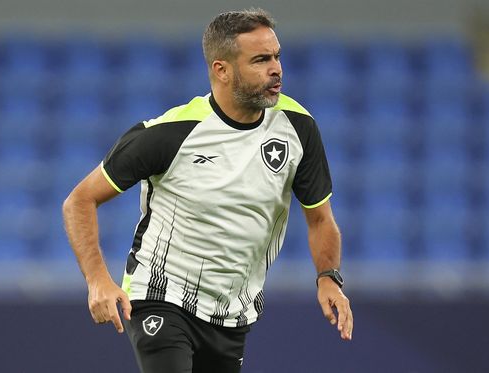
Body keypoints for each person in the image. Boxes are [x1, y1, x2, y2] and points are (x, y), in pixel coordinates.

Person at [62, 8, 353, 373]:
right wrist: (98, 281)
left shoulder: (298, 128)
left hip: (232, 313)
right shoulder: (170, 133)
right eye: (261, 60)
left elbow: (320, 219)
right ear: (221, 69)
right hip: (160, 296)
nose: (276, 69)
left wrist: (329, 278)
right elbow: (79, 201)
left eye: (277, 56)